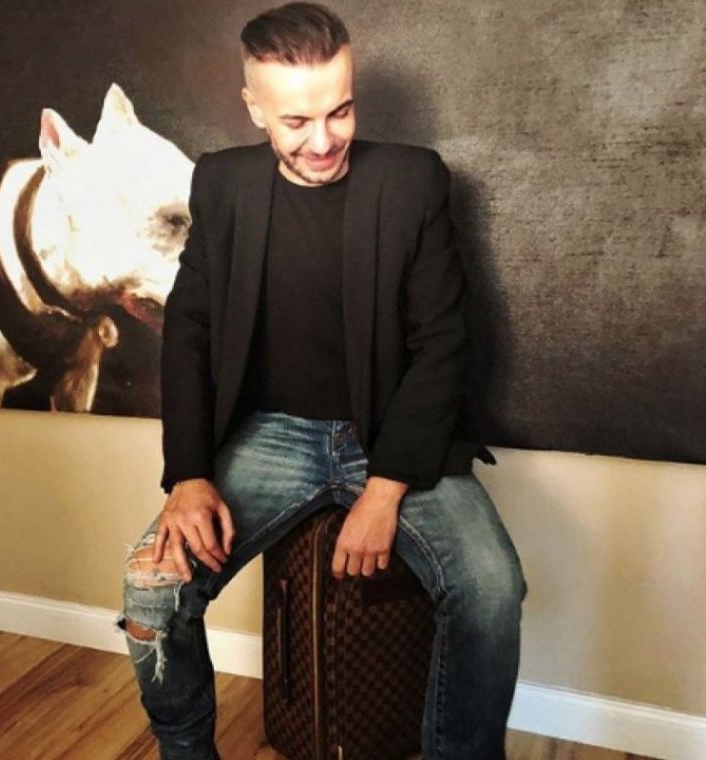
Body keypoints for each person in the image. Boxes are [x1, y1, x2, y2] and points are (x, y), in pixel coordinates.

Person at [115, 3, 528, 758]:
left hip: (393, 434)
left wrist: (385, 489)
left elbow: (444, 346)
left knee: (492, 589)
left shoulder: (413, 181)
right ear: (254, 108)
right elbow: (190, 334)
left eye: (340, 111)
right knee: (151, 587)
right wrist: (189, 475)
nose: (324, 139)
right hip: (272, 435)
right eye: (297, 121)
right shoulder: (222, 183)